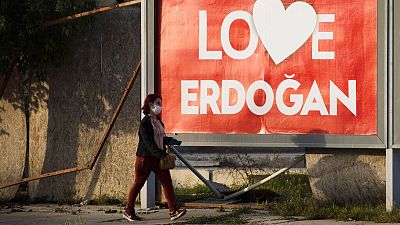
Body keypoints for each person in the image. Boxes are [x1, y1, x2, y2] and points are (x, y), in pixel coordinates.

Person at [123, 94, 186, 222]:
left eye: (161, 103)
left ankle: (173, 211)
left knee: (167, 183)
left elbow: (160, 138)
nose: (160, 106)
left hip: (158, 158)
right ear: (150, 104)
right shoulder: (145, 123)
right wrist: (162, 154)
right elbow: (148, 142)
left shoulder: (158, 121)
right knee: (138, 183)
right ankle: (128, 210)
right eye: (158, 103)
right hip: (145, 158)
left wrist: (169, 141)